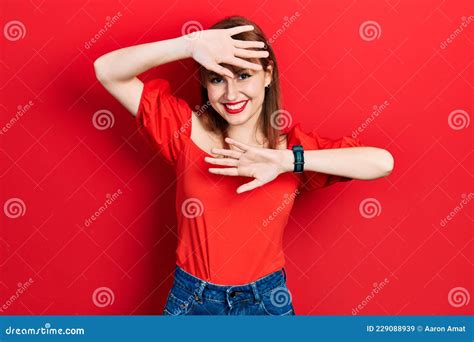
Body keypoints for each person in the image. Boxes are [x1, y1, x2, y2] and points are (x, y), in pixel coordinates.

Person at [94, 15, 394, 316]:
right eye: (216, 78)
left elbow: (381, 162)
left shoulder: (290, 150)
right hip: (193, 301)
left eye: (243, 76)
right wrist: (190, 44)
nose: (231, 94)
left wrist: (286, 161)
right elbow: (106, 70)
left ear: (267, 75)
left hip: (266, 302)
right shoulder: (183, 131)